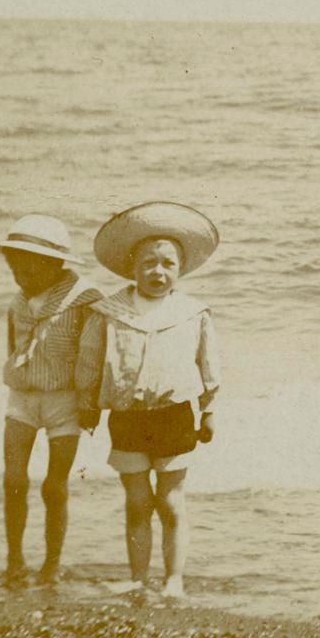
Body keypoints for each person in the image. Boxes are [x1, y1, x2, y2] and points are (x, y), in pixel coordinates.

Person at [76, 202, 221, 599]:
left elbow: (208, 362)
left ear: (179, 269)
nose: (158, 272)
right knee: (138, 501)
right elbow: (89, 362)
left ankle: (174, 579)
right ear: (132, 266)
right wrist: (87, 405)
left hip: (175, 416)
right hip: (126, 416)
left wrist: (209, 408)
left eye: (168, 264)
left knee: (171, 501)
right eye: (149, 263)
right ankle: (139, 578)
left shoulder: (193, 312)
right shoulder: (108, 312)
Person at [0, 214, 102, 587]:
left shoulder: (85, 299)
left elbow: (93, 354)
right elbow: (13, 346)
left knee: (54, 485)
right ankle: (15, 560)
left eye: (28, 268)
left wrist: (91, 402)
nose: (19, 275)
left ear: (54, 264)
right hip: (22, 397)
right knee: (13, 479)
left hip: (65, 399)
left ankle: (52, 563)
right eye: (13, 267)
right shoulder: (18, 301)